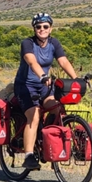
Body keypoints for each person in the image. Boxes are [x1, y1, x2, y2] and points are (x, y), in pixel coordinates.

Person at [13, 12, 78, 170]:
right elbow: (31, 60)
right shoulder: (27, 43)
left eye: (45, 26)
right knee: (34, 116)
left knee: (57, 108)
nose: (42, 29)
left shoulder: (54, 43)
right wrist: (42, 75)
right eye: (38, 27)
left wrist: (76, 79)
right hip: (25, 86)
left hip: (44, 86)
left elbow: (63, 61)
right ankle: (28, 156)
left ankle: (44, 139)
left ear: (51, 28)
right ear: (34, 28)